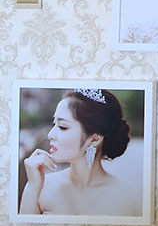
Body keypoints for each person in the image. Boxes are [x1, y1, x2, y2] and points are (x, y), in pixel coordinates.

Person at [20, 88, 141, 218]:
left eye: (62, 127)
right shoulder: (38, 187)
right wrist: (32, 189)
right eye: (54, 123)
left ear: (94, 139)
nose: (50, 135)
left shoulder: (133, 197)